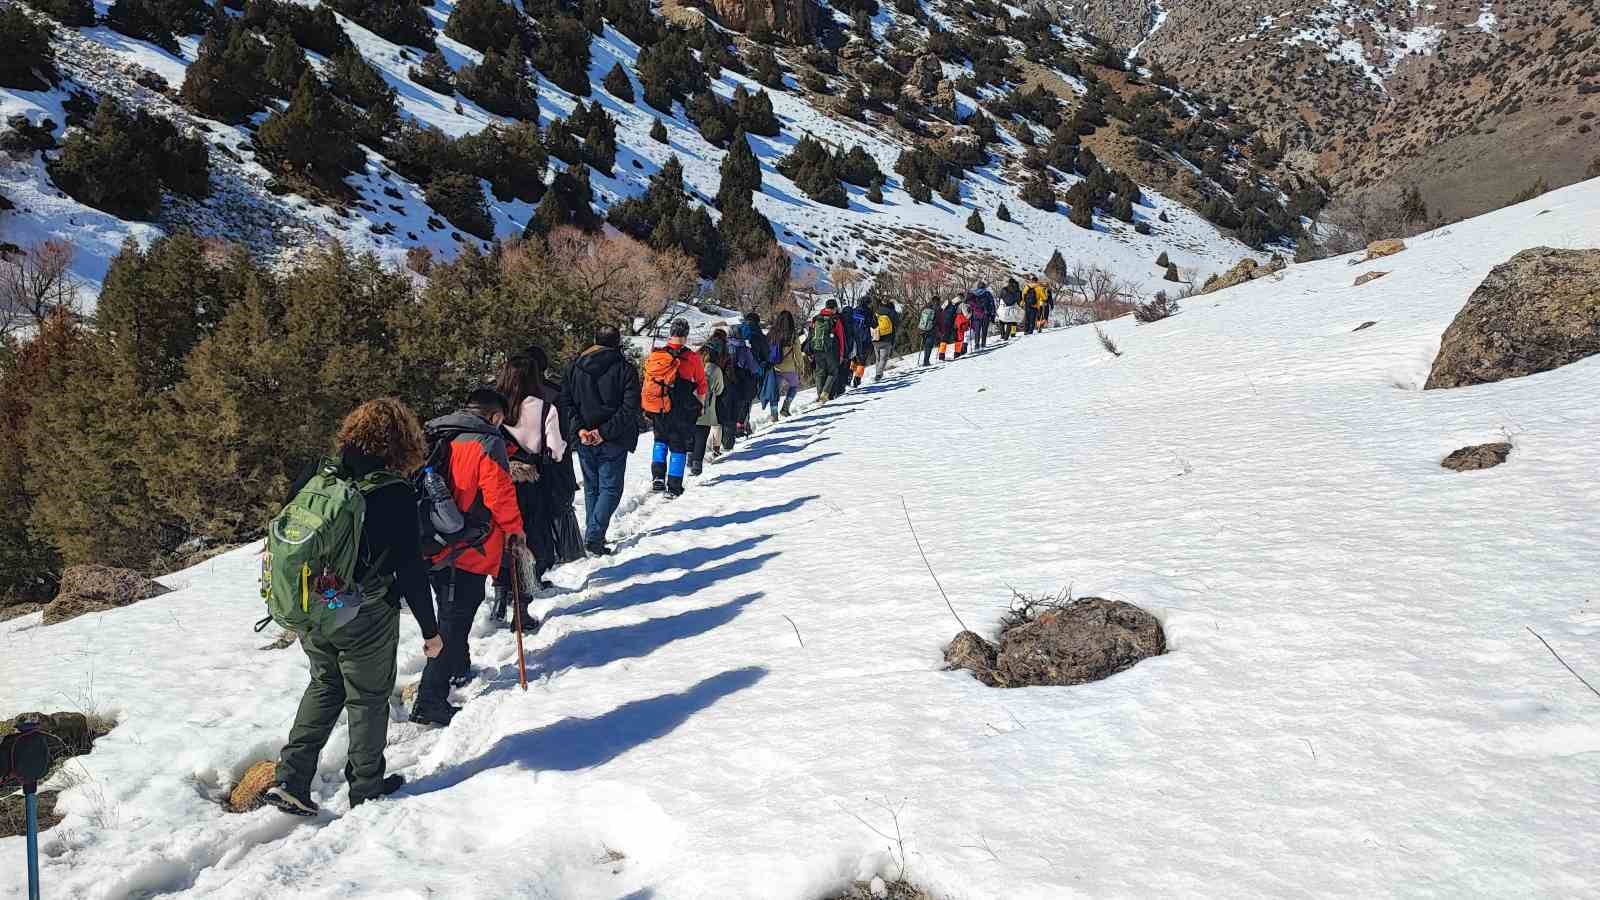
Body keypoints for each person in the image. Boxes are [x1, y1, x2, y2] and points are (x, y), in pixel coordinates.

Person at [267, 399, 442, 816]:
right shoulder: (393, 491)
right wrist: (431, 630)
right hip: (364, 610)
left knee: (325, 684)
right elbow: (410, 568)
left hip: (313, 605)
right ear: (401, 441)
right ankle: (366, 787)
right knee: (367, 696)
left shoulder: (317, 473)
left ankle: (291, 779)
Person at [411, 389, 524, 727]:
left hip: (430, 539)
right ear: (495, 416)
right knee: (455, 617)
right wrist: (516, 531)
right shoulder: (486, 443)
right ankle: (429, 699)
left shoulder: (436, 434)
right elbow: (499, 496)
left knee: (449, 609)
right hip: (468, 544)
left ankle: (457, 667)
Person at [497, 350, 565, 628]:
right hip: (529, 483)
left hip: (497, 481)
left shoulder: (496, 408)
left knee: (500, 539)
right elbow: (557, 450)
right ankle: (521, 609)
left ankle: (500, 593)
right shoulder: (545, 408)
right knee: (527, 543)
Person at [559, 326, 641, 557]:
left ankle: (594, 534)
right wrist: (603, 432)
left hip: (585, 437)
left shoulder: (574, 367)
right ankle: (594, 536)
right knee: (611, 489)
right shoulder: (625, 369)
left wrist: (581, 429)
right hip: (613, 438)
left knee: (593, 487)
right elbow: (629, 408)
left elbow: (566, 402)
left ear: (595, 340)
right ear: (618, 343)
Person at [644, 318, 708, 498]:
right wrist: (701, 405)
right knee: (678, 446)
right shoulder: (693, 357)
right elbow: (702, 385)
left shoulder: (657, 355)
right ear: (686, 336)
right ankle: (673, 487)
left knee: (660, 440)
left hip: (659, 405)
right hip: (681, 407)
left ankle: (657, 477)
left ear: (670, 334)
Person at [691, 341, 725, 476]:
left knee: (690, 436)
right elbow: (719, 389)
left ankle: (688, 459)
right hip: (706, 409)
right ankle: (696, 464)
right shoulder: (715, 369)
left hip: (689, 407)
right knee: (701, 437)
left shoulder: (692, 366)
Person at [764, 310, 804, 418]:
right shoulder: (792, 335)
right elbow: (798, 354)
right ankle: (785, 408)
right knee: (794, 385)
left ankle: (774, 414)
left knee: (774, 392)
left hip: (774, 368)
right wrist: (801, 367)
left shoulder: (771, 333)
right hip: (789, 368)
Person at [807, 299, 847, 402]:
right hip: (831, 350)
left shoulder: (816, 319)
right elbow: (841, 337)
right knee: (833, 372)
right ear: (834, 308)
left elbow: (811, 335)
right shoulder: (835, 319)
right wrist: (842, 353)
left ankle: (819, 394)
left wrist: (810, 350)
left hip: (817, 349)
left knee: (820, 373)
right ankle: (825, 393)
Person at [736, 312, 769, 434]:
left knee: (737, 398)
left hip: (734, 369)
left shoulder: (738, 330)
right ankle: (742, 425)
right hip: (752, 370)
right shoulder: (758, 334)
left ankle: (736, 425)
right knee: (747, 398)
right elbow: (765, 354)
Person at [847, 295, 875, 388]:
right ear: (868, 303)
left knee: (854, 358)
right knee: (862, 361)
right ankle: (857, 379)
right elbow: (874, 325)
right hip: (864, 339)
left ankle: (849, 374)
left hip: (854, 339)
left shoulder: (854, 310)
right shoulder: (868, 312)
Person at [872, 297, 898, 381]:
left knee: (878, 358)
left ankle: (878, 373)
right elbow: (896, 325)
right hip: (887, 338)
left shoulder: (877, 311)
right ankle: (878, 375)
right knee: (883, 358)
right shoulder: (892, 312)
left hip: (876, 337)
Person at [997, 277, 1023, 341]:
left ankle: (1003, 334)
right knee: (1012, 321)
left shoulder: (1004, 289)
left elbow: (1000, 297)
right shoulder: (1017, 290)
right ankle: (1012, 334)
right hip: (1013, 307)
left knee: (1001, 321)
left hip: (1003, 307)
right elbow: (1019, 300)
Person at [934, 295, 959, 361]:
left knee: (944, 340)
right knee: (957, 338)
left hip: (943, 324)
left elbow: (939, 312)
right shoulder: (955, 306)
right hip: (951, 324)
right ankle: (957, 353)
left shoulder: (944, 306)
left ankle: (941, 355)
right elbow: (956, 315)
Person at [973, 282, 996, 349]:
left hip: (976, 314)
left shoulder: (974, 293)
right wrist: (993, 315)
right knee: (984, 330)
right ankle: (983, 344)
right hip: (986, 314)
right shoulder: (987, 294)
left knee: (977, 330)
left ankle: (976, 344)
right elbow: (992, 304)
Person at [917, 297, 939, 366]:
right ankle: (926, 361)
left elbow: (921, 318)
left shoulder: (925, 308)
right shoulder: (935, 309)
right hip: (931, 329)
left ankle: (925, 360)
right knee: (929, 345)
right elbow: (936, 321)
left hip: (922, 328)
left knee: (926, 345)